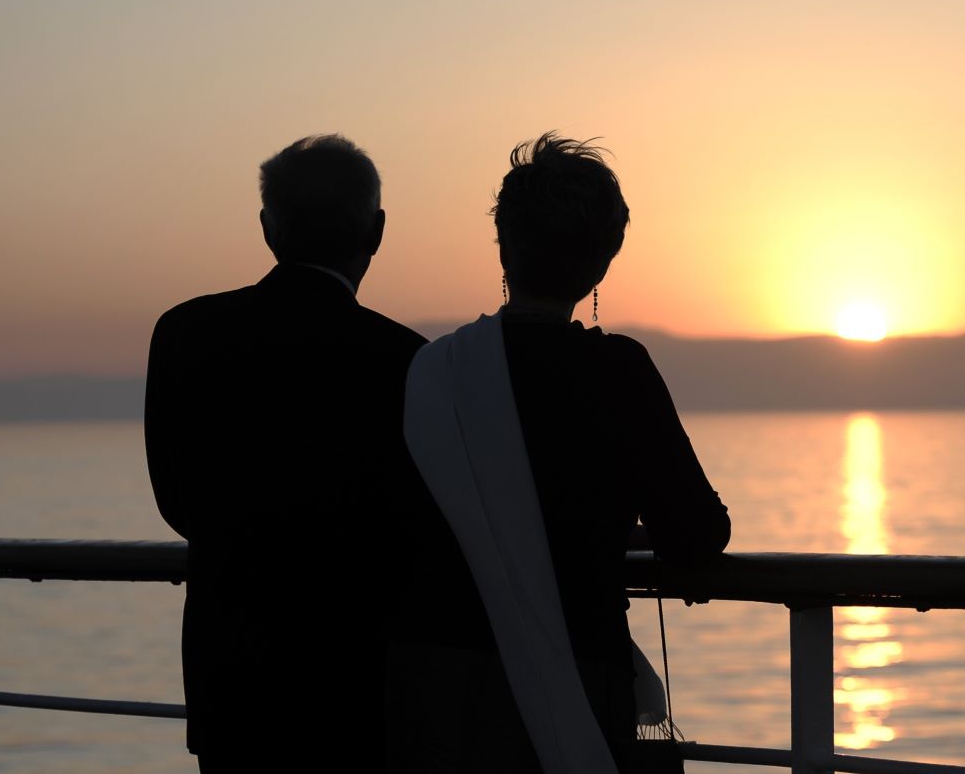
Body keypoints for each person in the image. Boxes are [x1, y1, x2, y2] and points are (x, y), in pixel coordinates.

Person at [145, 134, 476, 772]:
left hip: (232, 675)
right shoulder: (407, 360)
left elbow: (178, 501)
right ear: (376, 231)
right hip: (364, 677)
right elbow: (429, 521)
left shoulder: (186, 332)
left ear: (268, 228)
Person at [401, 133, 731, 772]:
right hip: (578, 675)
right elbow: (696, 535)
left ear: (504, 247)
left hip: (436, 689)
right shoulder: (617, 372)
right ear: (602, 262)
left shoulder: (432, 371)